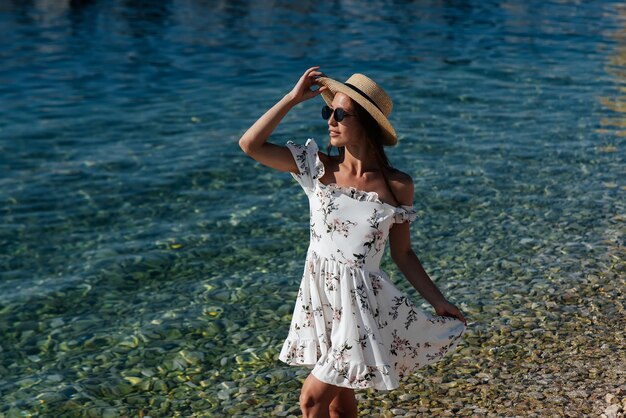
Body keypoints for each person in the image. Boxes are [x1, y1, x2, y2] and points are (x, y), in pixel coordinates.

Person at [239, 66, 467, 418]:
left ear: (368, 123)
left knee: (311, 399)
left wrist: (438, 301)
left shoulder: (397, 186)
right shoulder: (315, 167)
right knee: (338, 403)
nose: (331, 119)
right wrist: (291, 99)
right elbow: (249, 145)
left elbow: (403, 254)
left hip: (361, 305)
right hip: (322, 299)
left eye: (341, 113)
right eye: (327, 111)